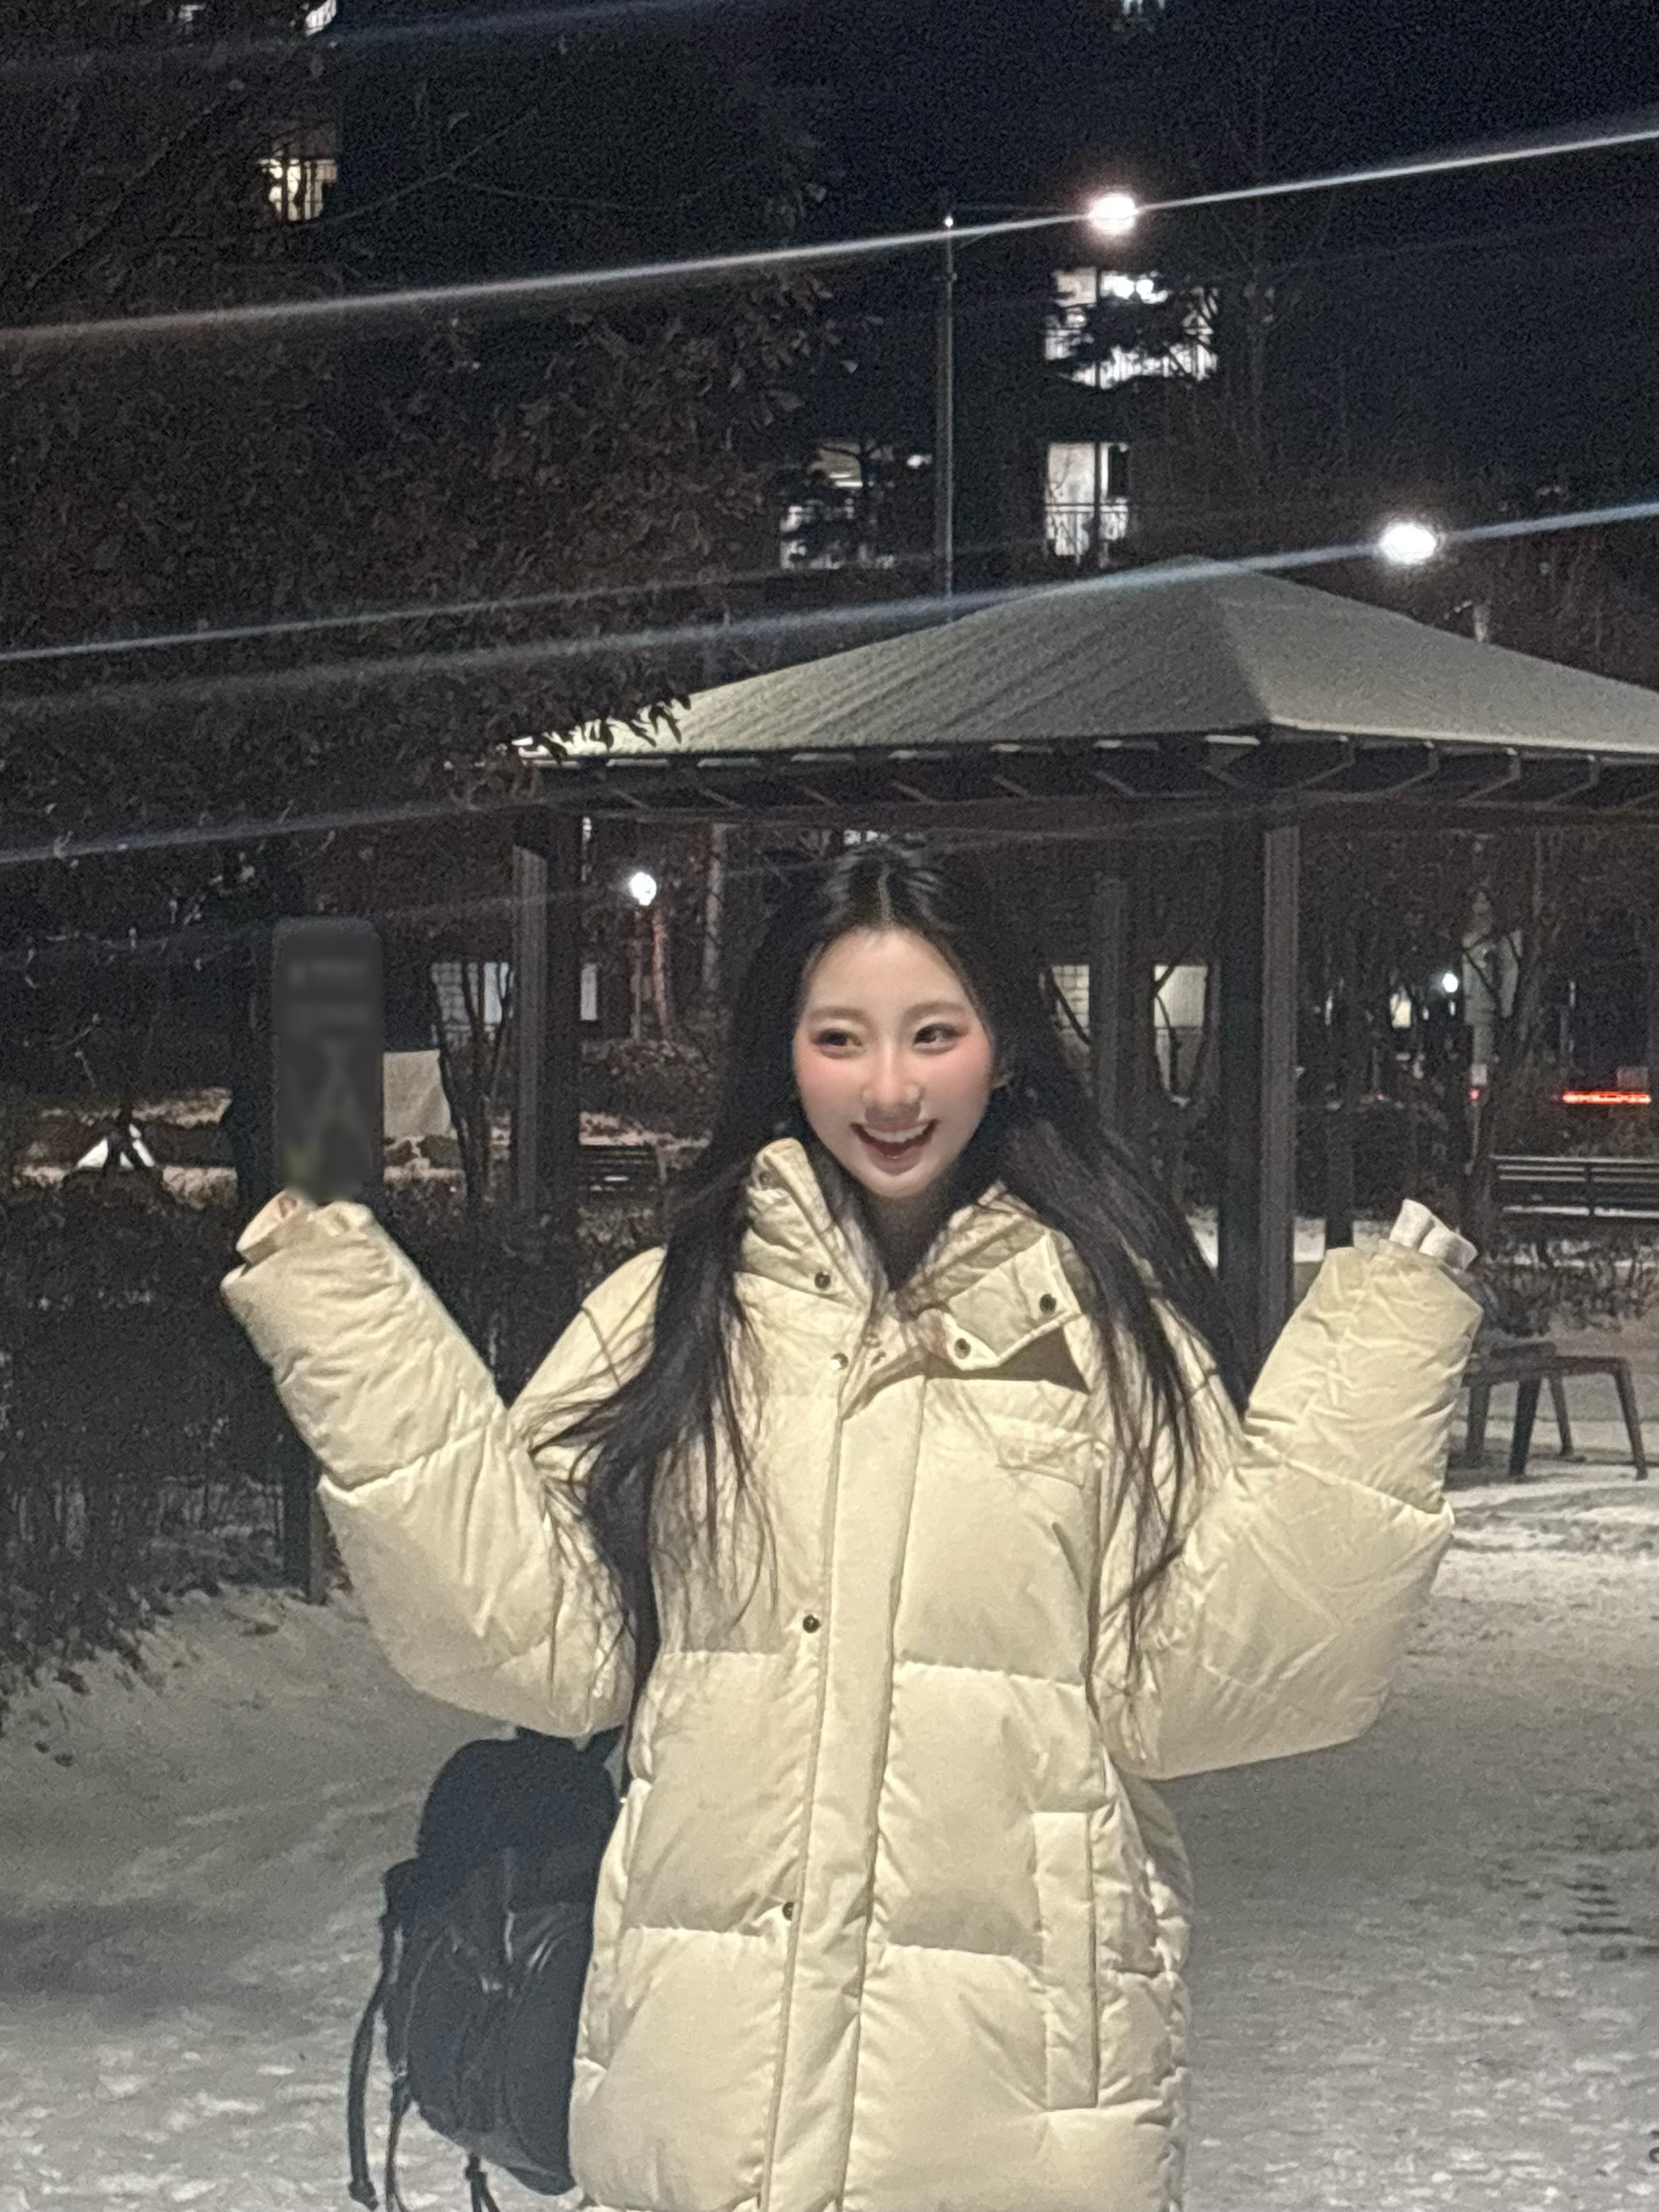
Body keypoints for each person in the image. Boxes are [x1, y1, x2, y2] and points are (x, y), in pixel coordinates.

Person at [223, 839, 1480, 2212]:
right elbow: (543, 1648)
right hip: (709, 2115)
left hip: (1007, 2126)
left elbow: (1207, 1690)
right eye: (841, 1039)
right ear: (787, 1053)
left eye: (934, 1034)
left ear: (1003, 1047)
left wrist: (1383, 1356)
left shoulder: (1106, 1334)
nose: (889, 1088)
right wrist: (347, 1325)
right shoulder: (672, 1313)